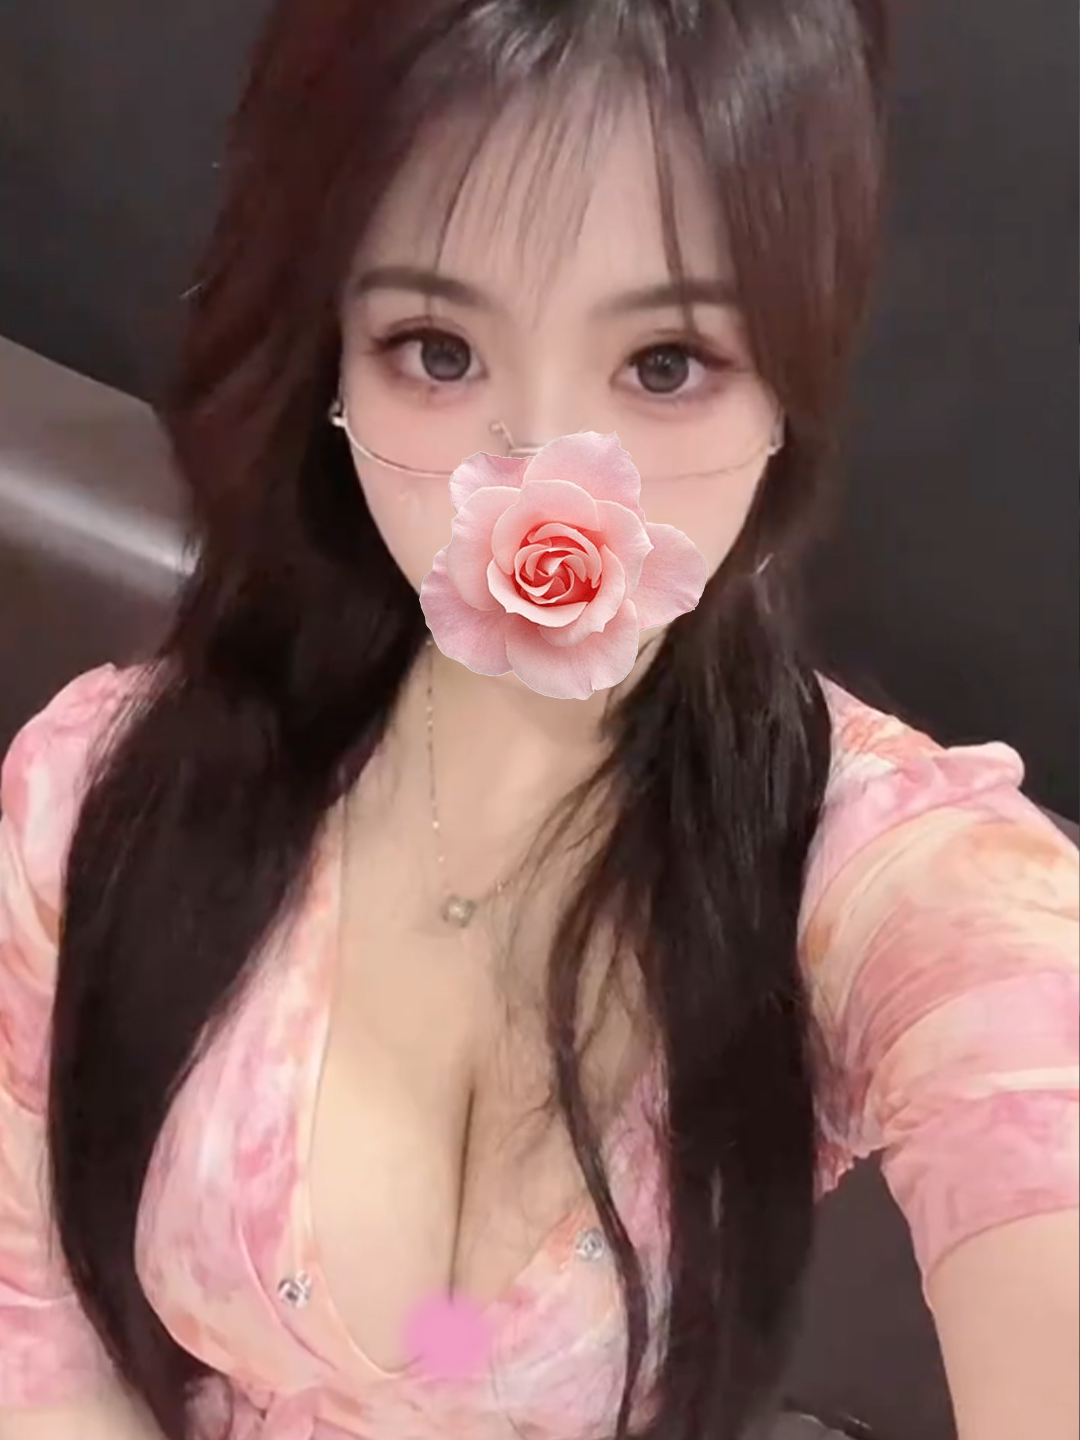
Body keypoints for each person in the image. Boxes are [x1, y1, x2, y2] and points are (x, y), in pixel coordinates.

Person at [0, 1, 1077, 1438]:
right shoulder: (99, 794)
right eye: (437, 350)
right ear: (329, 362)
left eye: (666, 364)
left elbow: (1025, 1083)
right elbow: (35, 1324)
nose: (543, 474)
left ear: (792, 386)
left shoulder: (878, 869)